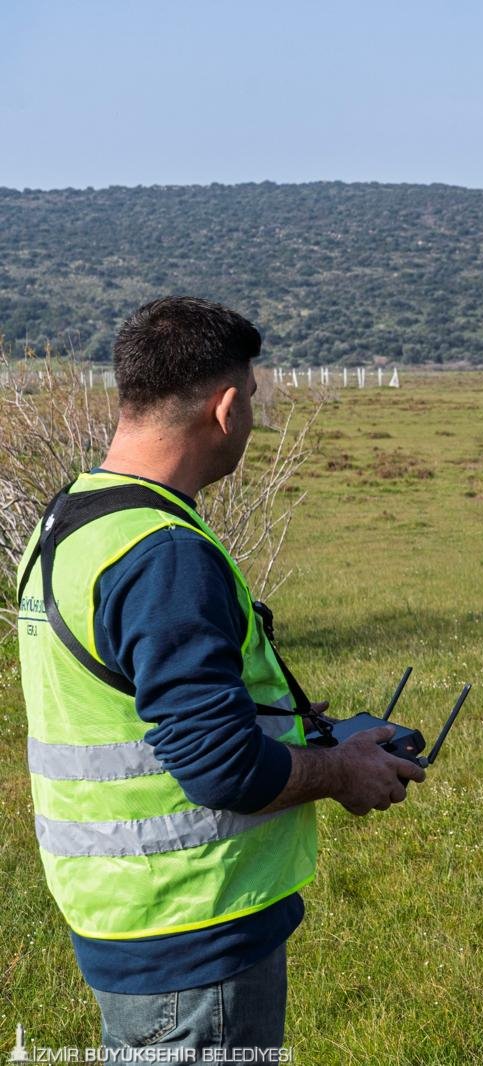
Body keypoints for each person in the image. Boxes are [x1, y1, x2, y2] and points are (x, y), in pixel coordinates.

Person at [15, 296, 424, 1058]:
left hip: (123, 918)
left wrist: (293, 724)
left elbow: (130, 699)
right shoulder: (164, 552)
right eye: (254, 403)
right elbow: (219, 765)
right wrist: (341, 771)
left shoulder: (68, 521)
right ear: (227, 407)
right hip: (193, 934)